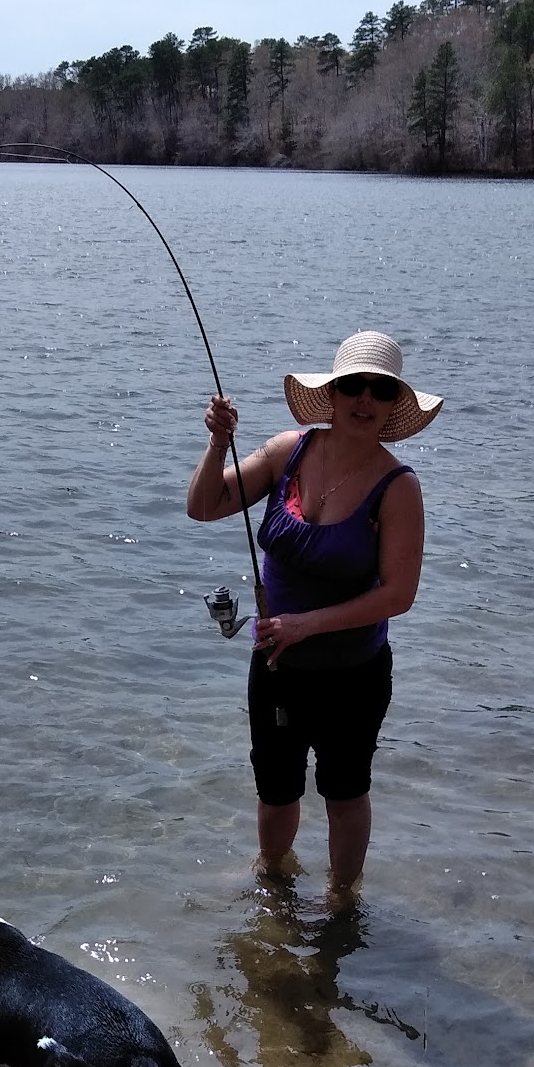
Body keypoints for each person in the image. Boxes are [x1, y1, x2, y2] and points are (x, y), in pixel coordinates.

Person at [186, 330, 442, 903]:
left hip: (353, 673)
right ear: (332, 393)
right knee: (275, 790)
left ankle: (341, 897)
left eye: (380, 391)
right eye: (354, 386)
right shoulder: (287, 453)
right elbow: (204, 508)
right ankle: (272, 878)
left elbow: (399, 594)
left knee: (345, 793)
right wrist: (216, 444)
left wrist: (307, 624)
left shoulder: (399, 488)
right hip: (275, 668)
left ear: (393, 404)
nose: (365, 400)